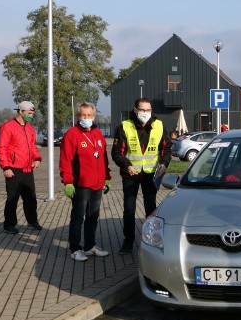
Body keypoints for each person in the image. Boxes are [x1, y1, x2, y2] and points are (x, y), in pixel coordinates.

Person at [112, 97, 171, 255]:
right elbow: (117, 153)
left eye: (148, 110)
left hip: (151, 174)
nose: (145, 113)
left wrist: (164, 164)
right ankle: (128, 242)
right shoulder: (125, 126)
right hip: (131, 174)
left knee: (151, 209)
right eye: (142, 110)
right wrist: (127, 165)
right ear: (135, 110)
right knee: (129, 210)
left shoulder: (159, 125)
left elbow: (167, 148)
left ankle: (151, 241)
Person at [59, 102, 112, 261]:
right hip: (80, 184)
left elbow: (103, 158)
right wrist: (67, 181)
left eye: (89, 115)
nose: (86, 118)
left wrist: (107, 178)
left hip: (97, 184)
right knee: (78, 217)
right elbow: (65, 161)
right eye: (83, 115)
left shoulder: (98, 134)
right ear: (78, 116)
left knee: (93, 217)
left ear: (93, 116)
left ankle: (90, 246)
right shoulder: (72, 134)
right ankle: (75, 249)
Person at [0, 101, 43, 234]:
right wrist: (5, 167)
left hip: (28, 169)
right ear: (20, 111)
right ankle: (9, 225)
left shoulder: (30, 128)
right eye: (29, 113)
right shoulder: (7, 127)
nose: (31, 116)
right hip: (13, 169)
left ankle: (32, 221)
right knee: (13, 198)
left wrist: (37, 158)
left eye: (32, 113)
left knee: (30, 197)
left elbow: (33, 147)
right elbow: (1, 148)